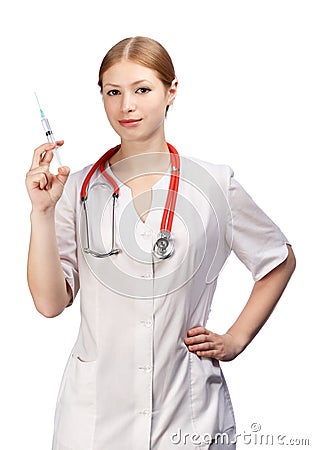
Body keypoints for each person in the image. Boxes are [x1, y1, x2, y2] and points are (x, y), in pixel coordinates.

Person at [25, 36, 296, 450]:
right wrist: (42, 213)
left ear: (171, 92)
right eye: (113, 92)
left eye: (142, 89)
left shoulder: (214, 184)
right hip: (94, 418)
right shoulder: (75, 188)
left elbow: (277, 260)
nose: (126, 106)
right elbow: (50, 303)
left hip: (187, 409)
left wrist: (236, 339)